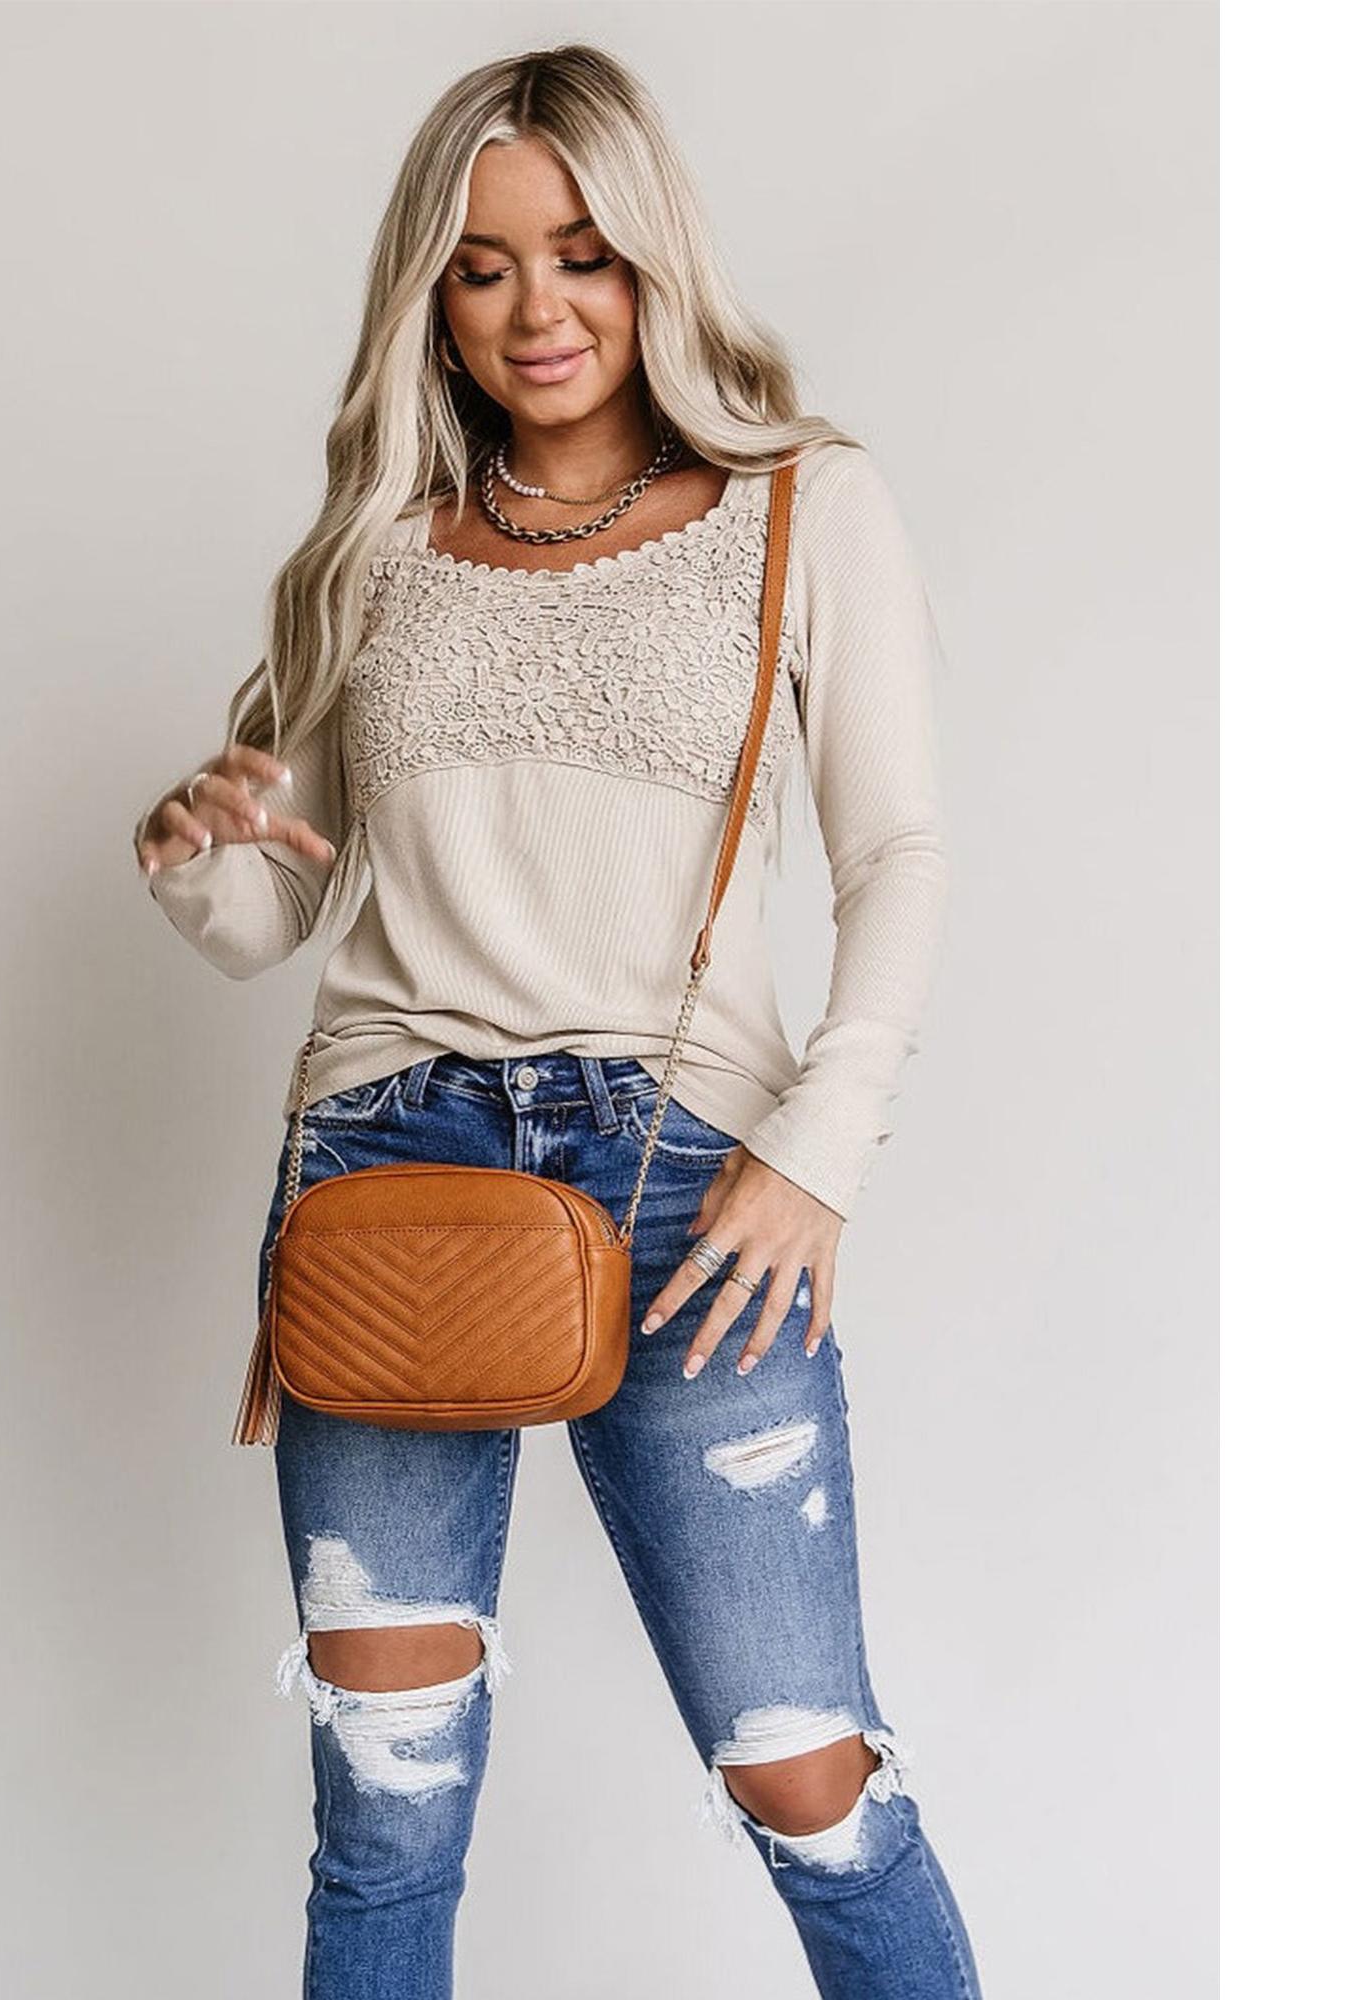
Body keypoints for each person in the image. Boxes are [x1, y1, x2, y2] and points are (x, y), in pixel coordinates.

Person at [132, 42, 981, 2000]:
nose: (538, 309)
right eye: (483, 265)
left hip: (693, 1190)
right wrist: (193, 851)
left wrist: (816, 1149)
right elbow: (273, 907)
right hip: (385, 1175)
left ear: (653, 256)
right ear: (428, 295)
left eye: (582, 254)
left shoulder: (800, 506)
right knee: (384, 1818)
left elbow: (901, 856)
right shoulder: (378, 547)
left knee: (810, 1781)